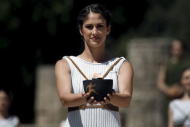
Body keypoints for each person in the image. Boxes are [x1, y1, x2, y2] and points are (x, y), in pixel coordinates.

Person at [55, 3, 134, 127]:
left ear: (108, 29)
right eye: (89, 27)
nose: (95, 32)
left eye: (100, 26)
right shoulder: (66, 64)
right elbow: (64, 99)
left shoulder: (121, 65)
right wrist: (86, 96)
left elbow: (126, 100)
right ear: (81, 30)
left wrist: (109, 95)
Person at [157, 40, 190, 125]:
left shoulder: (186, 64)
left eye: (179, 48)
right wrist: (169, 90)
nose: (176, 51)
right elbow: (160, 82)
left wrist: (181, 90)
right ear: (171, 49)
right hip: (169, 99)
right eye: (174, 48)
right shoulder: (166, 64)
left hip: (185, 97)